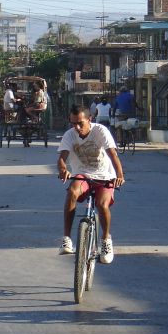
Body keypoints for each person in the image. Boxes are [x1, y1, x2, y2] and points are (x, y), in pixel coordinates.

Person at [57, 104, 125, 263]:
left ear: (90, 119)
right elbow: (62, 159)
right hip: (83, 175)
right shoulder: (69, 135)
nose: (77, 127)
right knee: (72, 192)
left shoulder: (100, 131)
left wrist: (120, 176)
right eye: (73, 123)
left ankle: (106, 240)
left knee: (101, 204)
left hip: (105, 177)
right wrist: (63, 170)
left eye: (80, 123)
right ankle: (66, 239)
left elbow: (113, 154)